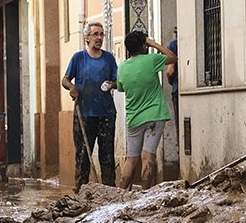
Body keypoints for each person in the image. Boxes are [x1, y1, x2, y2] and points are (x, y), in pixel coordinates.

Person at [115, 31, 177, 189]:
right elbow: (173, 57)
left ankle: (121, 193)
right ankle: (144, 193)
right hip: (155, 116)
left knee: (131, 158)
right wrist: (154, 44)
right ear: (144, 45)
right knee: (148, 156)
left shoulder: (122, 68)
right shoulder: (151, 60)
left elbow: (121, 88)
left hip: (134, 118)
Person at [62, 21, 118, 188]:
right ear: (87, 38)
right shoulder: (78, 58)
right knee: (83, 155)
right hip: (84, 114)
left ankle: (109, 191)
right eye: (95, 34)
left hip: (106, 113)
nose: (99, 38)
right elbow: (65, 79)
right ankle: (81, 191)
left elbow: (117, 80)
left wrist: (112, 84)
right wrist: (72, 88)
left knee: (107, 155)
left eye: (101, 34)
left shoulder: (108, 58)